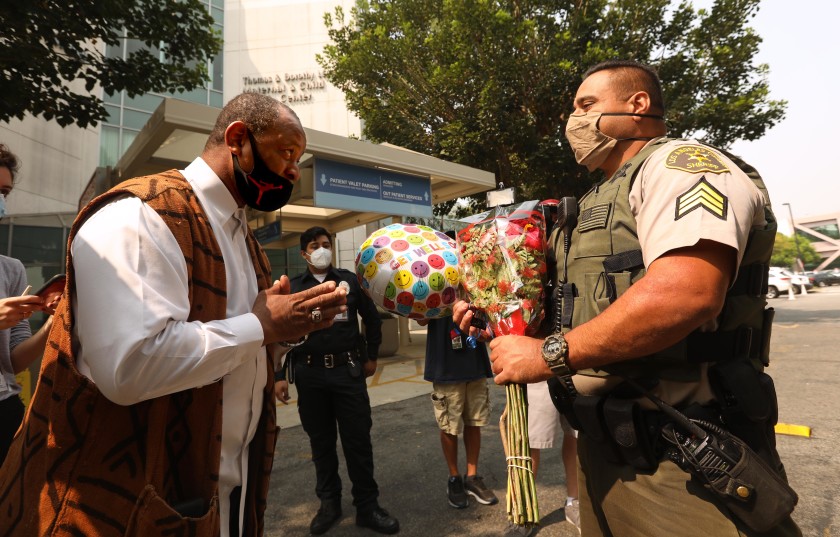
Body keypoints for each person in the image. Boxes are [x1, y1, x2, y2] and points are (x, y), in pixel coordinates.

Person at [454, 60, 800, 536]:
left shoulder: (678, 167)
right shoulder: (594, 200)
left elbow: (687, 293)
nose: (572, 121)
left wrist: (549, 355)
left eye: (586, 105)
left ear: (637, 104)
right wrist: (499, 317)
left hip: (684, 456)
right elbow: (576, 307)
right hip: (606, 448)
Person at [0, 94, 349, 537]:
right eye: (286, 152)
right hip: (121, 507)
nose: (294, 170)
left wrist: (285, 330)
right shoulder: (138, 216)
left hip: (223, 497)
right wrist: (261, 325)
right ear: (238, 140)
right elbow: (131, 366)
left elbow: (241, 346)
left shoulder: (246, 242)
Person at [274, 226, 399, 535]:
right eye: (315, 245)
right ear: (304, 253)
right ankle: (329, 504)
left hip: (348, 372)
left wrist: (371, 355)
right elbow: (278, 332)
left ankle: (368, 507)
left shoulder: (349, 281)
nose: (322, 249)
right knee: (321, 443)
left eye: (326, 244)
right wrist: (278, 376)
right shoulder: (294, 288)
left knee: (358, 441)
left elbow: (372, 319)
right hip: (310, 374)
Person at [417, 235, 498, 511]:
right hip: (445, 364)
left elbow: (490, 312)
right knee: (449, 425)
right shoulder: (430, 282)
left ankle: (472, 476)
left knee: (475, 421)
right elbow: (420, 316)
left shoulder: (475, 279)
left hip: (474, 361)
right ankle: (454, 477)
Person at [0, 144, 58, 464]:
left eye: (5, 192)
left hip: (7, 410)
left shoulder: (11, 269)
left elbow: (15, 361)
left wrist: (53, 322)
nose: (1, 200)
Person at [519, 381, 580, 536]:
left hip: (574, 367)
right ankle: (523, 510)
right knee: (530, 440)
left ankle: (574, 501)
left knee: (577, 433)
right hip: (535, 370)